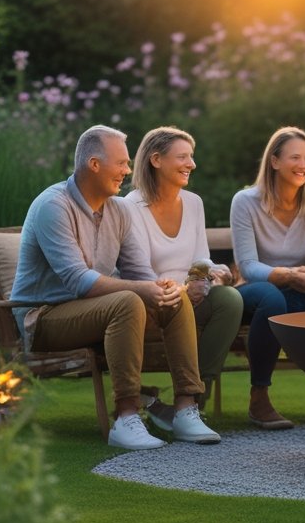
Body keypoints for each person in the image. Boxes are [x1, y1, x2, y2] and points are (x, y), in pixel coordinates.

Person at [11, 125, 220, 449]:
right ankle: (126, 418)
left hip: (96, 311)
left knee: (174, 296)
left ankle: (185, 409)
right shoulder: (54, 206)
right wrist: (143, 290)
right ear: (94, 164)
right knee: (128, 300)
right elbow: (78, 280)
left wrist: (161, 288)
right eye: (121, 163)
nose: (127, 171)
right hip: (44, 317)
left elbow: (139, 272)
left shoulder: (119, 210)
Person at [229, 126, 305, 430]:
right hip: (255, 291)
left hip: (300, 288)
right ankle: (259, 399)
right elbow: (246, 266)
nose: (304, 165)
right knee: (272, 298)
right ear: (274, 161)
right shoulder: (245, 201)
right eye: (295, 157)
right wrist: (285, 274)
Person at [123, 126, 245, 415]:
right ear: (156, 160)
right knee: (185, 303)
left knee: (230, 299)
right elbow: (139, 273)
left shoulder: (193, 203)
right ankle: (183, 403)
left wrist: (214, 273)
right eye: (183, 157)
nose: (192, 164)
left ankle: (192, 397)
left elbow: (200, 257)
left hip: (192, 296)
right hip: (155, 302)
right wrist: (182, 290)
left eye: (191, 156)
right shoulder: (131, 206)